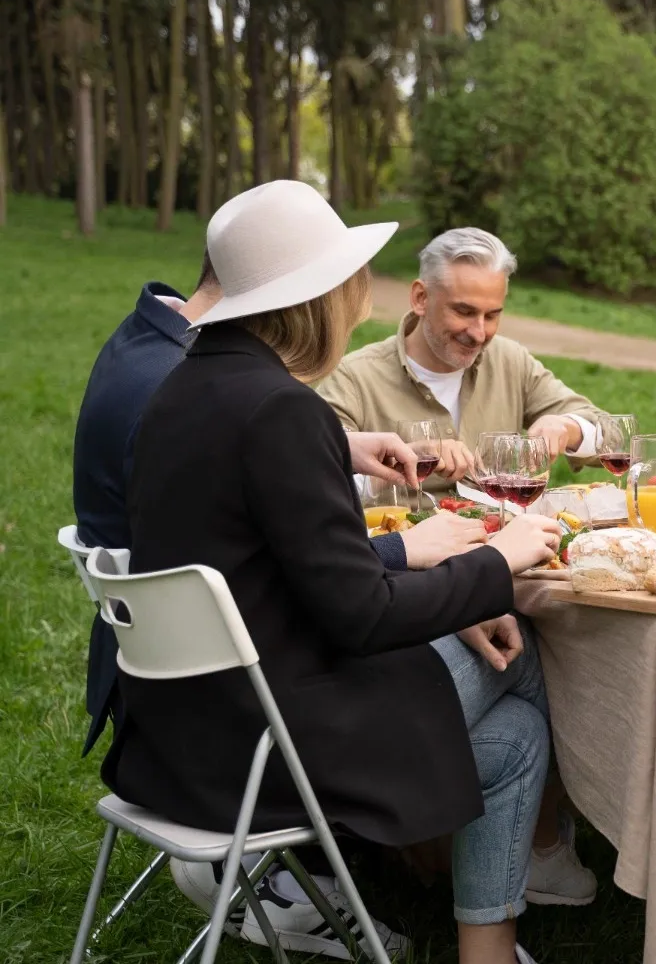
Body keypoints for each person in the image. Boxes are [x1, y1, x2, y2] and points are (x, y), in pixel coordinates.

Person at [110, 180, 565, 964]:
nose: (361, 302)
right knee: (524, 658)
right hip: (271, 744)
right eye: (352, 284)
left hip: (179, 735)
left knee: (517, 733)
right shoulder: (281, 412)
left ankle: (486, 944)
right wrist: (498, 561)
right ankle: (579, 848)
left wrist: (340, 454)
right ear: (313, 299)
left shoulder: (186, 387)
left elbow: (276, 556)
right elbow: (362, 616)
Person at [318, 227, 611, 487]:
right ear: (421, 298)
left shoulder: (511, 361)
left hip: (506, 545)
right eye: (464, 312)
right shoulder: (352, 378)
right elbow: (314, 473)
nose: (479, 333)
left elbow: (612, 435)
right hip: (403, 545)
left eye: (492, 315)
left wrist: (569, 428)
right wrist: (405, 457)